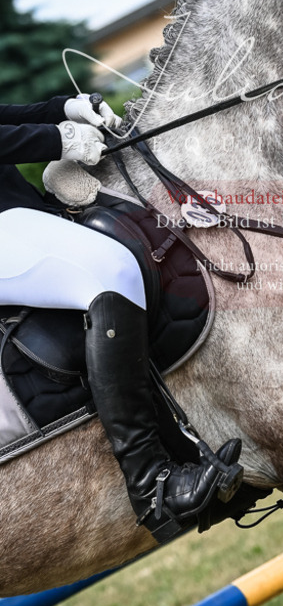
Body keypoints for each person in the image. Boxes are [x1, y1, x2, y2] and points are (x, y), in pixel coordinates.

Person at [0, 95, 242, 542]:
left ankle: (187, 450)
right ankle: (153, 485)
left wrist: (64, 110)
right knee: (107, 272)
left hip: (14, 210)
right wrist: (57, 138)